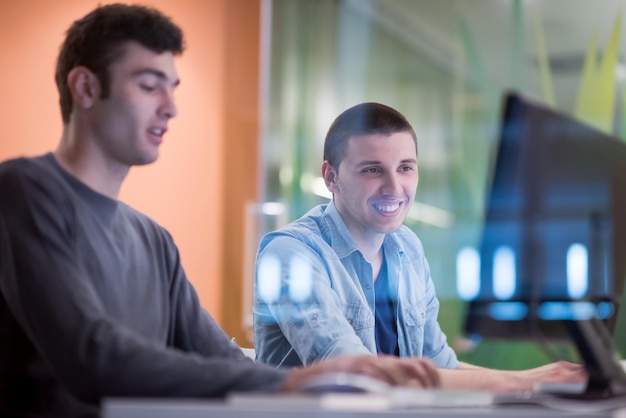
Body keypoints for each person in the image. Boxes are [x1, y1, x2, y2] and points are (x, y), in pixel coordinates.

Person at [0, 5, 441, 418]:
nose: (170, 108)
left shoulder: (152, 239)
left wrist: (304, 382)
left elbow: (218, 356)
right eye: (149, 86)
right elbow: (93, 354)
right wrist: (293, 383)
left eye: (172, 89)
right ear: (86, 87)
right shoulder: (26, 192)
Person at [253, 102, 586, 392]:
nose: (394, 188)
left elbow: (440, 366)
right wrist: (525, 383)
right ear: (330, 177)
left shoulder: (406, 248)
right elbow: (358, 378)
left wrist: (542, 378)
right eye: (372, 170)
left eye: (405, 168)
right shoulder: (291, 255)